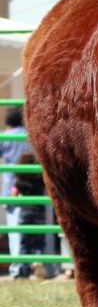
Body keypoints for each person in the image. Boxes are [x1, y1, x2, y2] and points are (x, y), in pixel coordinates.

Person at [0, 106, 31, 278]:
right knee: (42, 231)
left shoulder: (6, 137)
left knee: (16, 230)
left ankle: (18, 267)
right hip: (36, 189)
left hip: (12, 189)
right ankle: (48, 267)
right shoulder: (31, 135)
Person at [11, 151, 47, 278]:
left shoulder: (19, 181)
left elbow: (13, 194)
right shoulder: (40, 179)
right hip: (39, 212)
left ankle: (23, 270)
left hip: (24, 213)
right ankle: (38, 262)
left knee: (24, 243)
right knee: (39, 242)